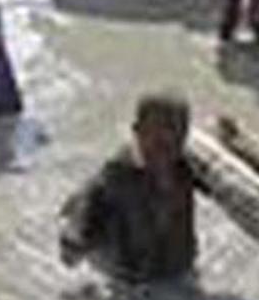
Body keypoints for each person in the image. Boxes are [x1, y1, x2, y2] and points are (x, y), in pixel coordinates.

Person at [59, 92, 206, 284]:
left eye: (175, 139)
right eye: (157, 143)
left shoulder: (187, 168)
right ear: (137, 132)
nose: (164, 155)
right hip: (130, 276)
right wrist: (77, 236)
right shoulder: (120, 173)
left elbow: (226, 189)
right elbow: (89, 199)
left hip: (177, 269)